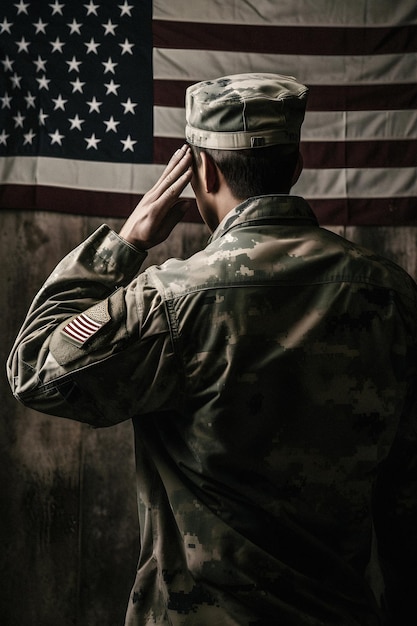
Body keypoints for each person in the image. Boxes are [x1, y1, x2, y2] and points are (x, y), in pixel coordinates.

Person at [6, 73, 417, 626]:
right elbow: (407, 495)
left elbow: (35, 368)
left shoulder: (169, 300)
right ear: (295, 168)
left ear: (201, 169)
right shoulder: (392, 293)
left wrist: (124, 245)